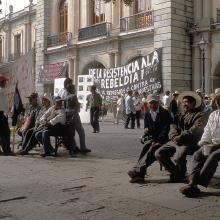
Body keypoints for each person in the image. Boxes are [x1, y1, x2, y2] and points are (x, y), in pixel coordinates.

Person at [155, 91, 208, 182]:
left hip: (190, 142)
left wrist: (181, 137)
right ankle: (176, 173)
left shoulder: (200, 115)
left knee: (178, 157)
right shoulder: (180, 115)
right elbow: (173, 125)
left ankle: (180, 173)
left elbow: (195, 130)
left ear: (193, 103)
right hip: (176, 140)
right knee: (159, 153)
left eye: (187, 102)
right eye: (183, 102)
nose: (184, 104)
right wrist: (173, 135)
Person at [179, 92, 220, 197]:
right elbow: (207, 131)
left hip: (218, 145)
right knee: (198, 154)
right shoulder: (214, 114)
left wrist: (216, 146)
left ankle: (198, 183)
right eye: (217, 100)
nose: (218, 102)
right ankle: (192, 183)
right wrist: (204, 142)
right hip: (213, 143)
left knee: (213, 155)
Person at [127, 94, 171, 183]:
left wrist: (156, 140)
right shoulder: (147, 114)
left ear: (158, 103)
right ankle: (140, 172)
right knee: (145, 147)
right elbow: (147, 128)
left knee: (153, 149)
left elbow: (166, 129)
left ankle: (137, 171)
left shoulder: (165, 113)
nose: (152, 105)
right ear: (147, 104)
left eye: (154, 103)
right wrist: (146, 130)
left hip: (164, 139)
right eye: (150, 103)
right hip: (153, 139)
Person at [64, 83, 91, 155]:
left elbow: (64, 108)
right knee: (81, 132)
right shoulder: (74, 96)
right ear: (72, 89)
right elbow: (76, 108)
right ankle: (83, 147)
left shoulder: (65, 97)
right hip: (74, 116)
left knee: (72, 133)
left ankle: (74, 147)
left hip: (68, 116)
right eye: (73, 88)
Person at [0, 75, 14, 156]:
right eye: (5, 81)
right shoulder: (1, 91)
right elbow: (5, 106)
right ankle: (7, 151)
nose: (6, 83)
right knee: (5, 132)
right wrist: (11, 114)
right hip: (0, 115)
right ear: (1, 82)